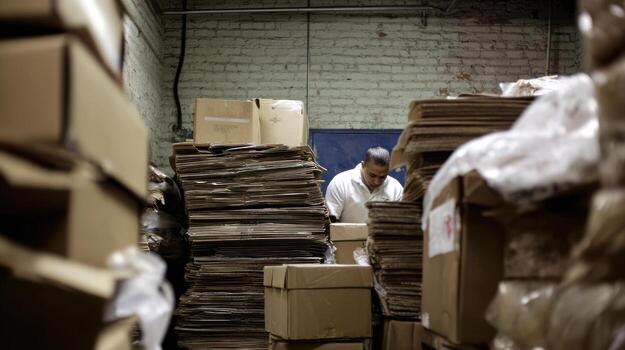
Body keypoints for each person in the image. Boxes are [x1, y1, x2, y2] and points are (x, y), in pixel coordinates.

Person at [325, 146, 403, 223]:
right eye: (372, 175)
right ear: (363, 165)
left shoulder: (395, 188)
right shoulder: (340, 183)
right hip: (346, 235)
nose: (377, 181)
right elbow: (331, 222)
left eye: (383, 177)